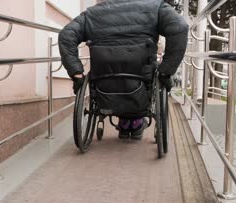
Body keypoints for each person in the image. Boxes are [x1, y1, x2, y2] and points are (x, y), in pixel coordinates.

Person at [59, 0, 188, 140]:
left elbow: (66, 35)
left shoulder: (91, 13)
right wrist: (166, 70)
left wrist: (76, 73)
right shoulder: (156, 7)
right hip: (142, 78)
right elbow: (179, 27)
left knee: (116, 74)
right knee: (150, 74)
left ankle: (125, 123)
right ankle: (135, 122)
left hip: (103, 82)